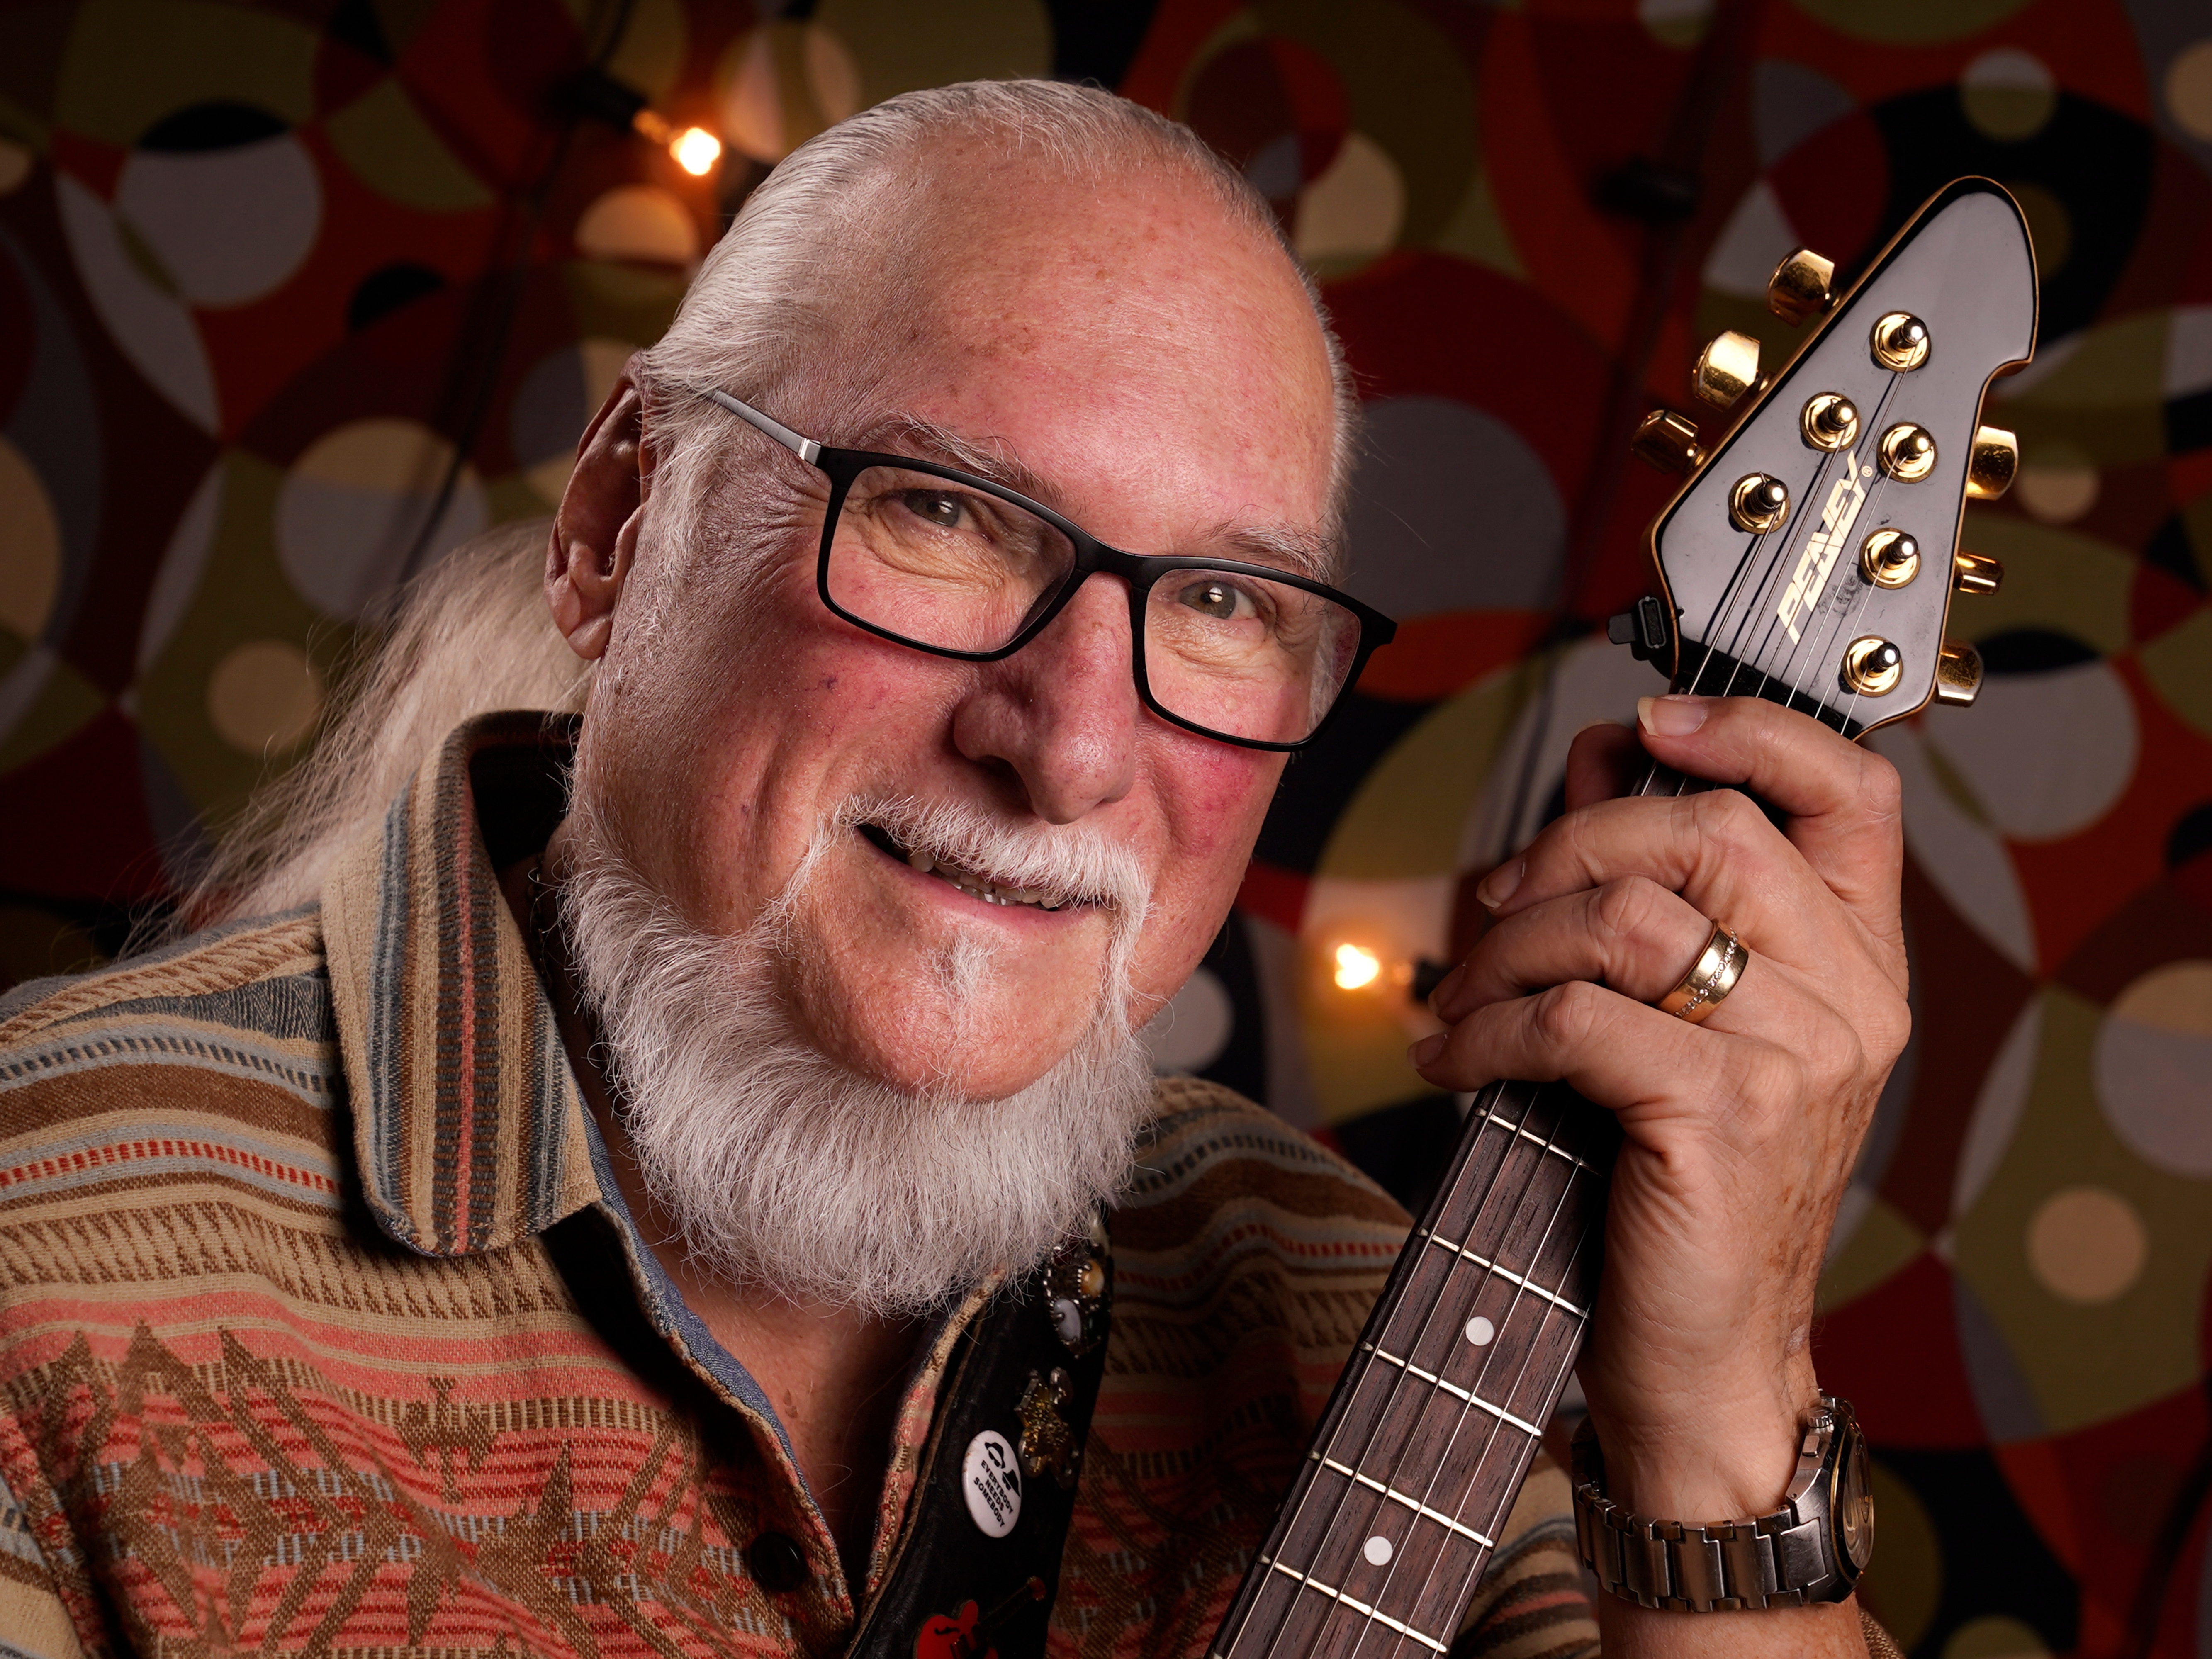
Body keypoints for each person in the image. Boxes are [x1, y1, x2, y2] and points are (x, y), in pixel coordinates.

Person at [0, 82, 1909, 1658]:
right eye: (942, 513)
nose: (1073, 739)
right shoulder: (45, 1258)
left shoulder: (1359, 1333)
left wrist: (1720, 1413)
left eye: (1227, 603)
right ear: (613, 524)